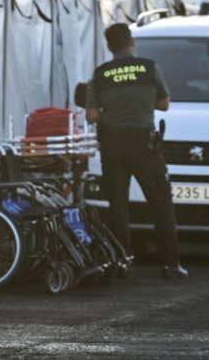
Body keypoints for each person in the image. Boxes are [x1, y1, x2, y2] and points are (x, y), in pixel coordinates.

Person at [85, 22, 187, 279]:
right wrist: (141, 103)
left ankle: (123, 263)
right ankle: (171, 264)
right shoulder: (149, 68)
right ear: (132, 42)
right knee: (161, 203)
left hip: (112, 145)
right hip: (144, 144)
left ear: (109, 47)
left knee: (118, 205)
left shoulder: (100, 74)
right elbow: (164, 104)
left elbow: (92, 115)